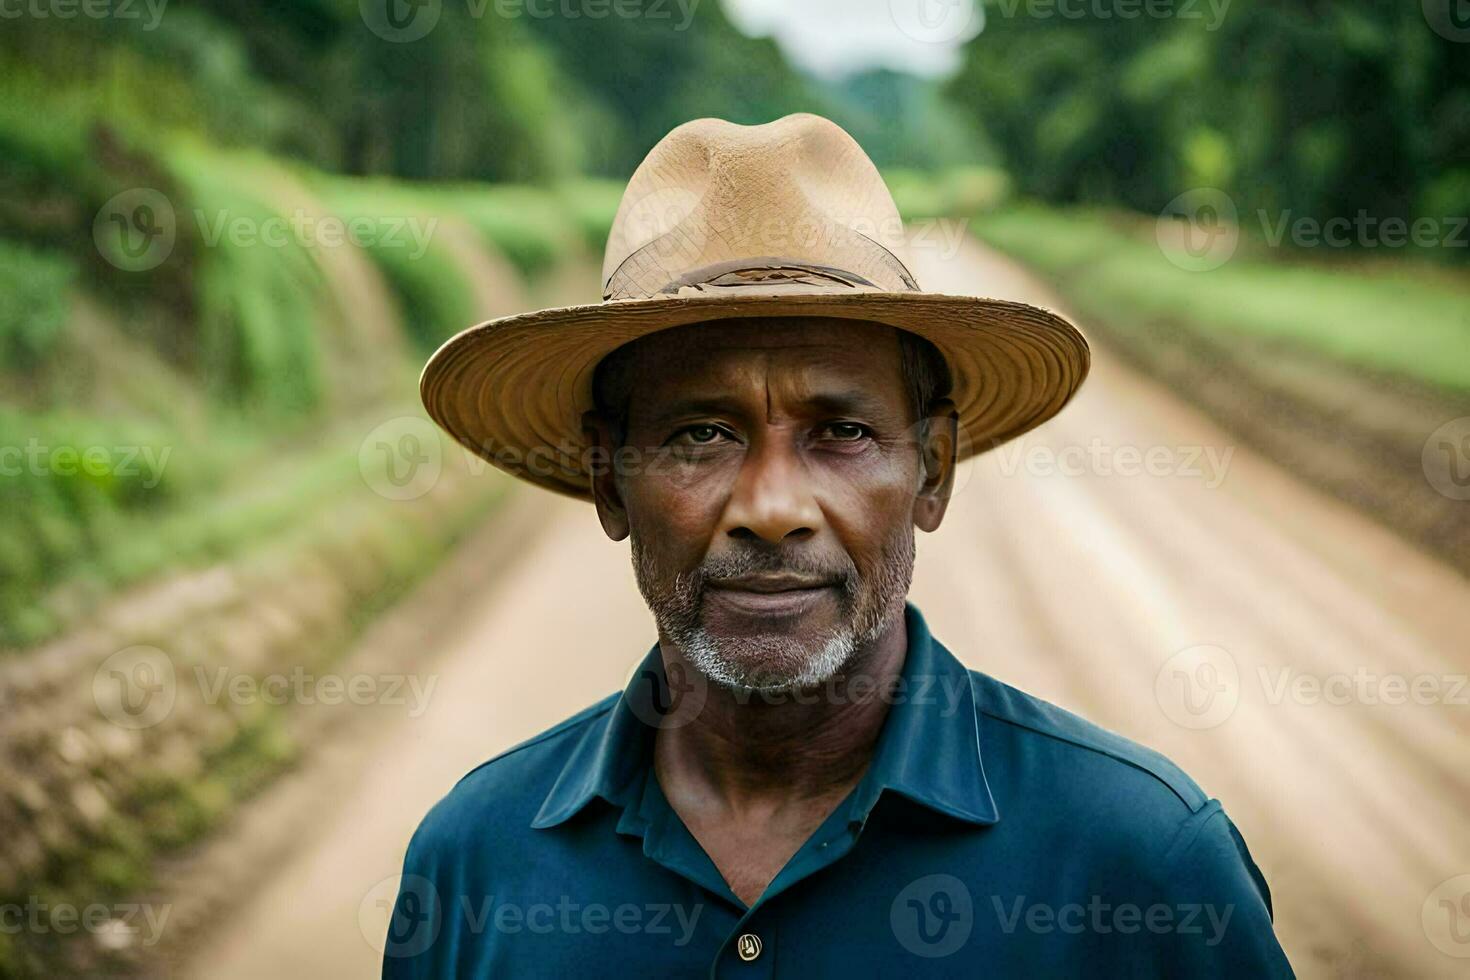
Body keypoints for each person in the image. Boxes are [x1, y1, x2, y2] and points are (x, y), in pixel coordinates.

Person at [386, 113, 1294, 977]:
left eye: (842, 433)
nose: (772, 508)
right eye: (701, 434)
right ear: (605, 478)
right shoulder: (475, 865)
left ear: (932, 470)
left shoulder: (1142, 866)